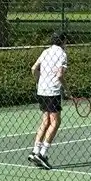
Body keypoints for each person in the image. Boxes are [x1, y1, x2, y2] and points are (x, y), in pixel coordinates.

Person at [29, 32, 68, 169]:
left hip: (41, 90)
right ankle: (43, 154)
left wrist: (39, 81)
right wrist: (67, 88)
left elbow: (34, 68)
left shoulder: (45, 52)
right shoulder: (62, 54)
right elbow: (59, 75)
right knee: (56, 122)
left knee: (46, 121)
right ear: (63, 41)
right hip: (52, 91)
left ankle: (35, 151)